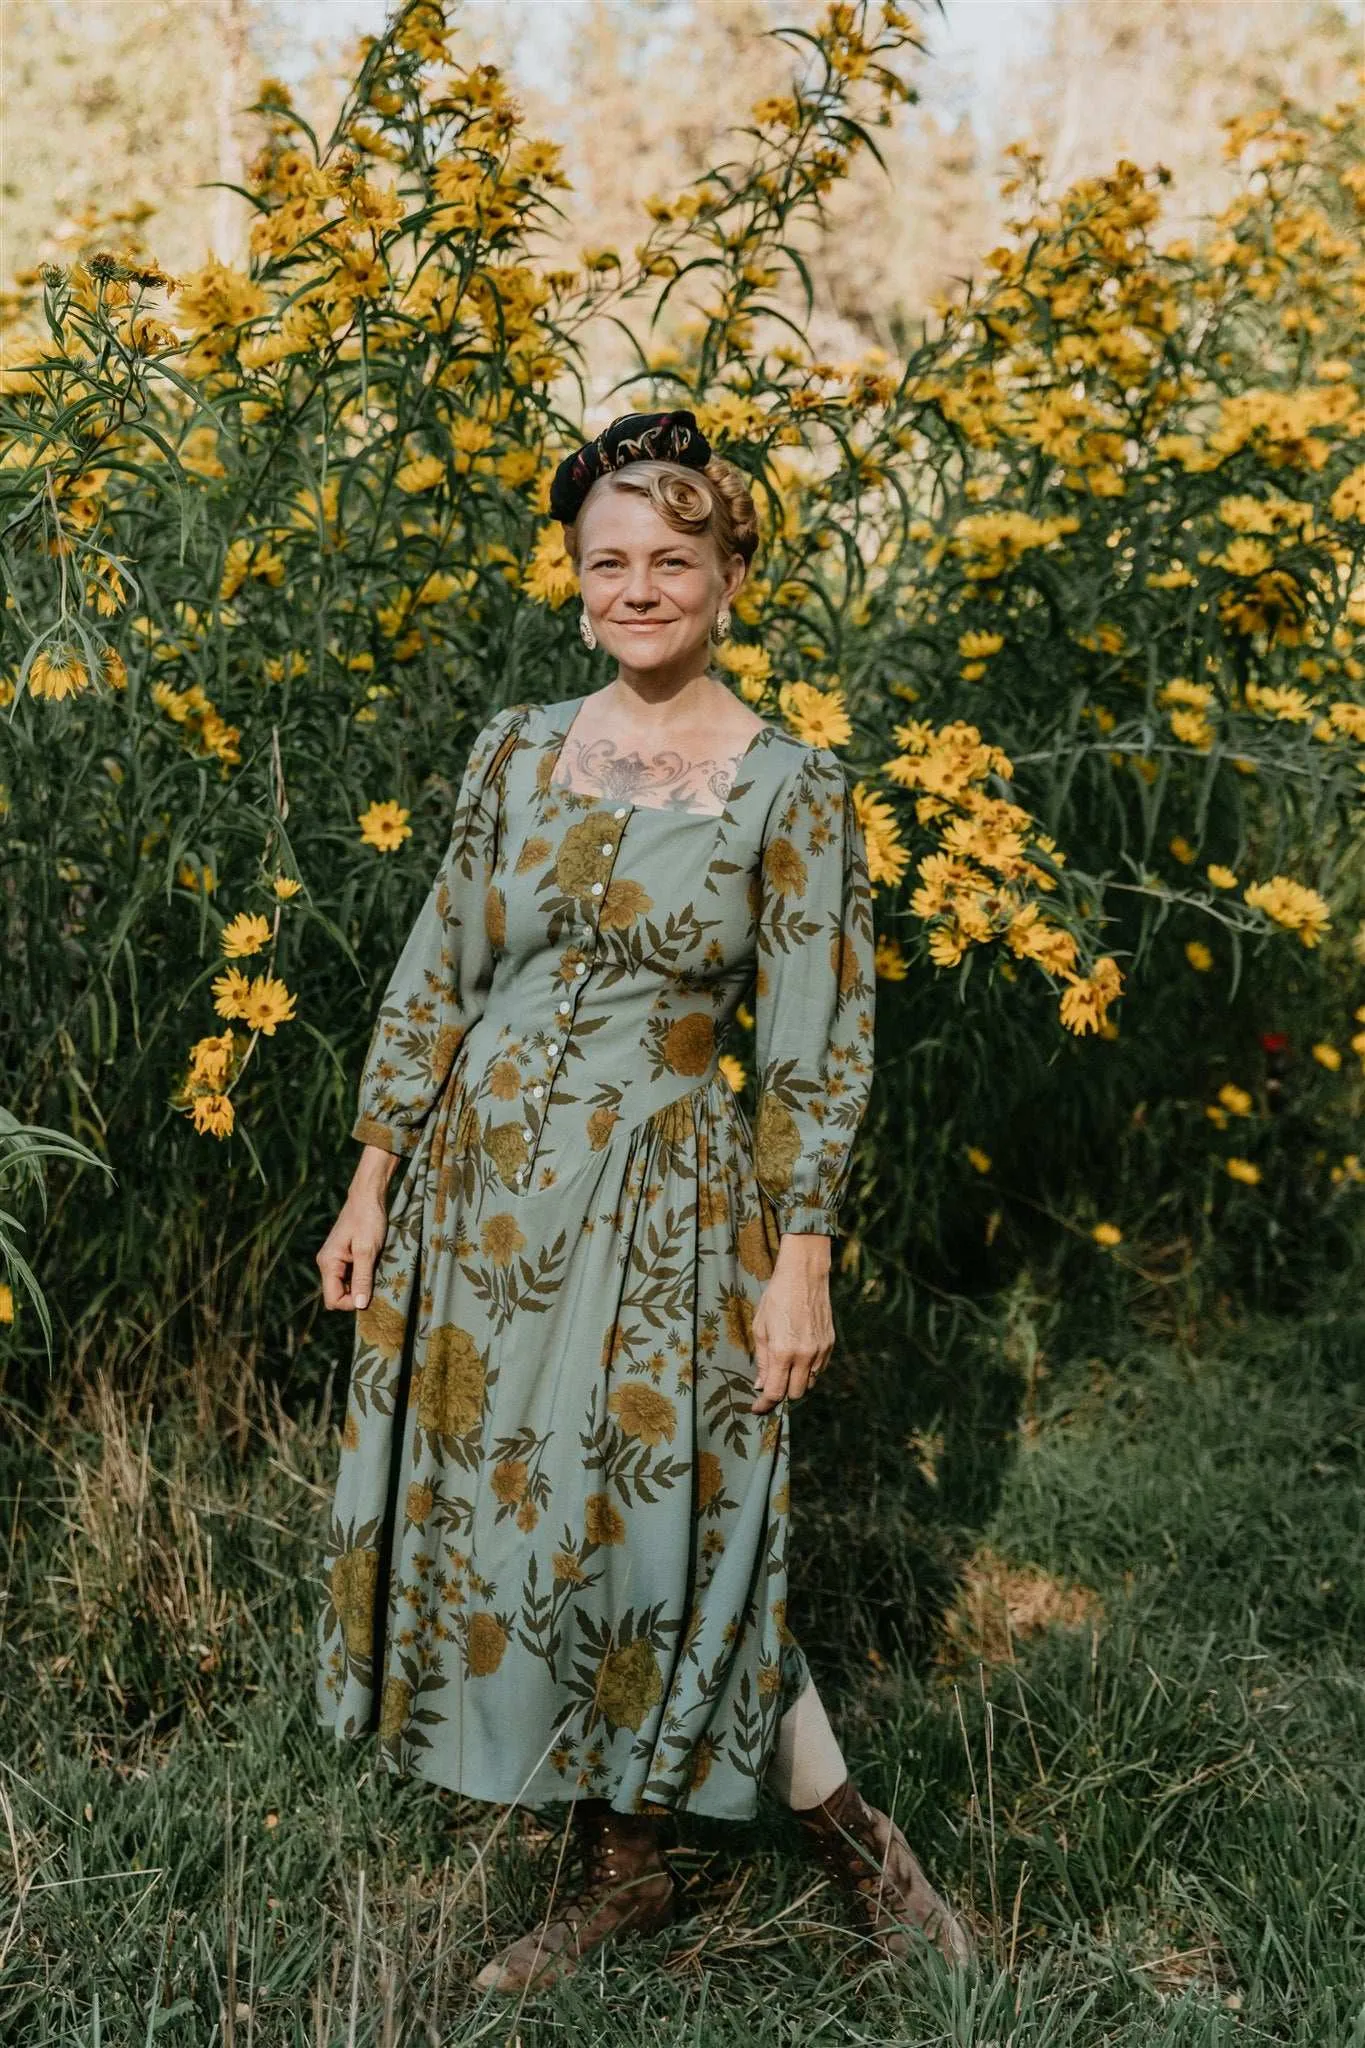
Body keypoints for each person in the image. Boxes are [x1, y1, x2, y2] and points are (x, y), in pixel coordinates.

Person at [313, 408, 973, 1991]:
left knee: (689, 1527)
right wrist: (370, 1181)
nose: (637, 587)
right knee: (529, 1530)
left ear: (733, 572)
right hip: (477, 1199)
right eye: (607, 560)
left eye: (672, 558)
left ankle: (866, 1863)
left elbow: (821, 1042)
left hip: (663, 1198)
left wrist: (799, 1248)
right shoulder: (514, 751)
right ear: (573, 580)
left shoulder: (791, 791)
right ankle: (620, 1873)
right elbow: (440, 970)